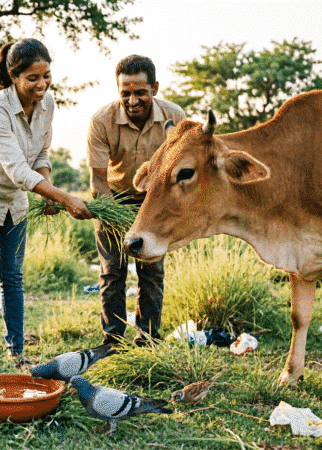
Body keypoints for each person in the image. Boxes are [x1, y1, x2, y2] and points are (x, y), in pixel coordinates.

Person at [0, 38, 93, 367]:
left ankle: (17, 353)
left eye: (46, 76)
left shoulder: (47, 104)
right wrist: (65, 198)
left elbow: (40, 154)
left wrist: (48, 191)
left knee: (13, 276)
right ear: (14, 77)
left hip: (14, 199)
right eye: (32, 78)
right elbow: (16, 169)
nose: (41, 84)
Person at [87, 54, 185, 346]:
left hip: (153, 202)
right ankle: (112, 341)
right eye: (125, 93)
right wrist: (114, 215)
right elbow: (98, 180)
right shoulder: (101, 121)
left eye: (140, 92)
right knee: (112, 272)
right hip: (113, 200)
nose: (132, 101)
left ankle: (148, 340)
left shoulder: (175, 116)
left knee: (151, 272)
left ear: (154, 88)